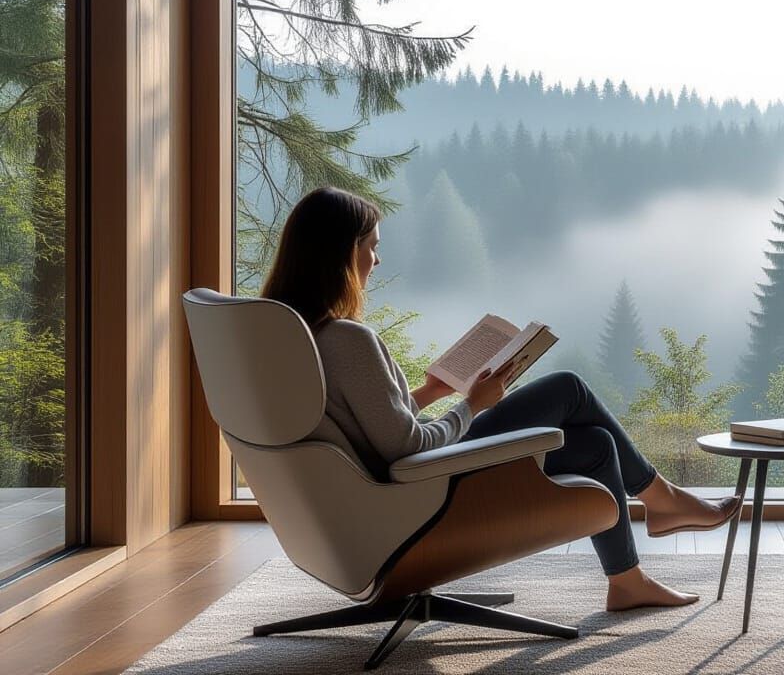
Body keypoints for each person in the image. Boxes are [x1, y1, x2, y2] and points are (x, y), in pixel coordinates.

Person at [261, 186, 741, 611]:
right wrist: (474, 403)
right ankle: (662, 499)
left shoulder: (294, 333)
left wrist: (430, 391)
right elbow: (405, 449)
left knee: (596, 446)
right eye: (371, 248)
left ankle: (627, 580)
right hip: (424, 488)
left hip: (388, 487)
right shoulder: (348, 339)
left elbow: (370, 426)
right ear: (341, 253)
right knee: (568, 387)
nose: (376, 262)